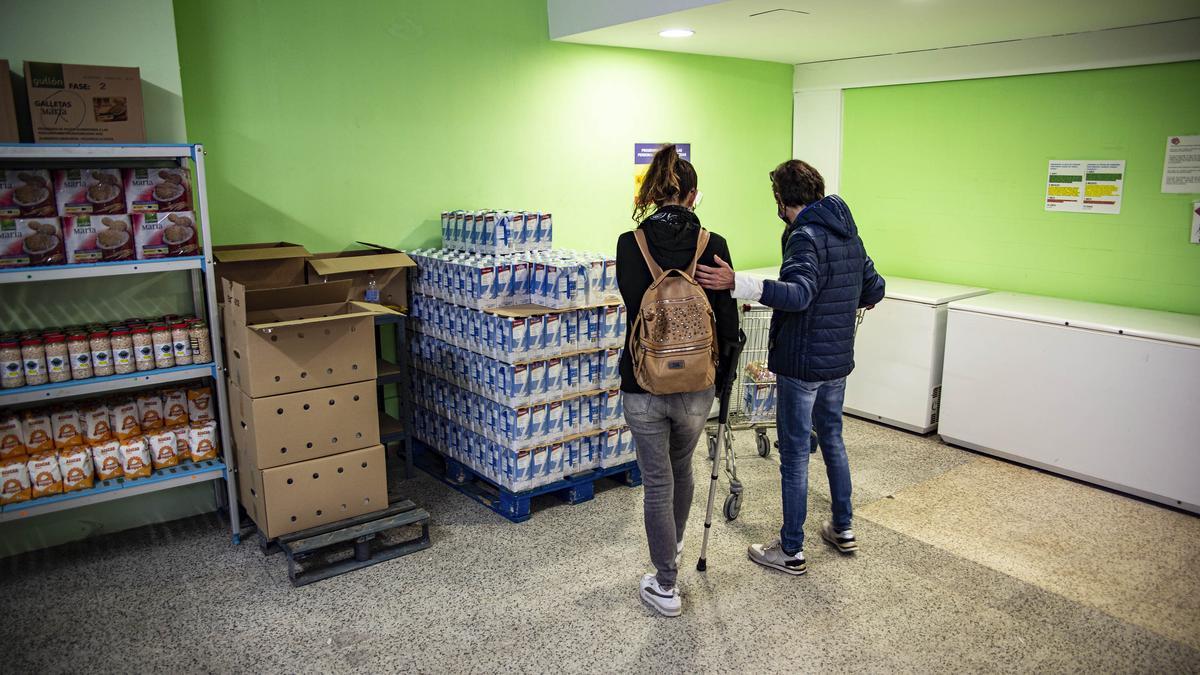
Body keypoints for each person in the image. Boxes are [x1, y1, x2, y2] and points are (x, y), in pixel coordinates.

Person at [695, 159, 885, 576]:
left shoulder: (804, 236)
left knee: (796, 454)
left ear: (782, 200)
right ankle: (842, 526)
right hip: (837, 360)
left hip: (802, 362)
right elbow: (875, 288)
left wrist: (737, 283)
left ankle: (791, 550)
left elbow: (798, 295)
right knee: (832, 439)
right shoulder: (846, 231)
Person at [617, 144, 739, 616]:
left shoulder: (631, 244)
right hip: (696, 383)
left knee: (657, 482)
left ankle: (665, 583)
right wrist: (722, 380)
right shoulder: (714, 244)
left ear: (653, 194)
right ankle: (678, 545)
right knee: (682, 467)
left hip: (643, 383)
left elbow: (633, 307)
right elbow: (724, 318)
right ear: (692, 195)